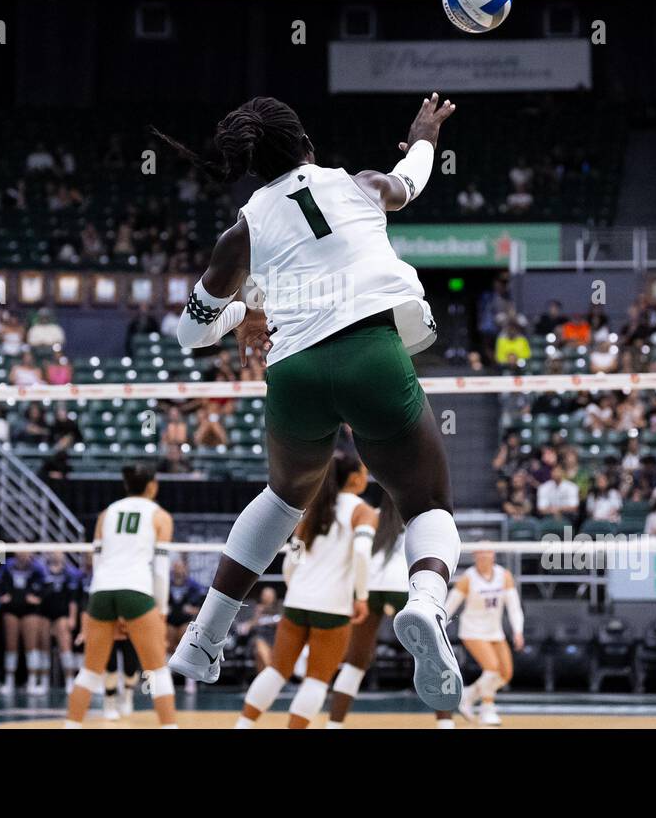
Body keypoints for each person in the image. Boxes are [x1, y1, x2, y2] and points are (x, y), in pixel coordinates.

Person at [160, 94, 465, 712]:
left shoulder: (241, 232)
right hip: (369, 350)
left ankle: (204, 637)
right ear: (308, 146)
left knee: (282, 497)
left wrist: (246, 312)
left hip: (294, 369)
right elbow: (412, 179)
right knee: (424, 499)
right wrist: (424, 131)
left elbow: (189, 333)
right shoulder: (359, 184)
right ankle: (427, 603)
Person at [235, 452, 376, 729]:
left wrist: (297, 586)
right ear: (356, 478)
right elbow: (361, 553)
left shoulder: (312, 509)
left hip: (298, 599)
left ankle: (243, 724)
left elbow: (291, 559)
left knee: (277, 671)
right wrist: (361, 596)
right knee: (316, 679)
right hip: (333, 605)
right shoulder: (363, 511)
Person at [66, 464, 177, 728]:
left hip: (102, 590)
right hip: (136, 589)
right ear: (152, 485)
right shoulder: (160, 516)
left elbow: (96, 560)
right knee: (158, 671)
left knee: (90, 672)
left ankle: (70, 725)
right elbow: (161, 571)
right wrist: (161, 609)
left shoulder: (106, 514)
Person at [326, 493, 415, 728]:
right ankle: (445, 724)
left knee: (355, 660)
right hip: (401, 587)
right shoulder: (416, 519)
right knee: (430, 656)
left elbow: (355, 554)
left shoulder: (369, 515)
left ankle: (334, 724)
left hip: (368, 588)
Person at [443, 547, 523, 727]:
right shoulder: (468, 578)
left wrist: (518, 630)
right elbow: (451, 605)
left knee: (505, 674)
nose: (485, 555)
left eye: (488, 552)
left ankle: (468, 695)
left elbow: (514, 606)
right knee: (492, 668)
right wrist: (439, 625)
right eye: (481, 552)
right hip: (472, 630)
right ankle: (487, 708)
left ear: (494, 555)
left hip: (495, 630)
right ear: (475, 556)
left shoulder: (504, 576)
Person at [0, 552, 47, 695]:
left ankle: (32, 681)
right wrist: (2, 596)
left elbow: (46, 585)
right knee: (11, 645)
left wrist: (38, 598)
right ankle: (9, 681)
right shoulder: (7, 566)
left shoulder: (37, 568)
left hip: (30, 610)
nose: (23, 554)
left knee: (31, 646)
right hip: (11, 609)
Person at [40, 551, 83, 688]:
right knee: (43, 646)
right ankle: (44, 681)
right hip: (45, 613)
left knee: (65, 645)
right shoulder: (43, 571)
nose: (56, 555)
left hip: (61, 613)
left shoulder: (70, 573)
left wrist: (72, 617)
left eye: (59, 552)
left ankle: (70, 680)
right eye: (54, 552)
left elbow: (72, 599)